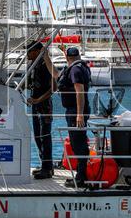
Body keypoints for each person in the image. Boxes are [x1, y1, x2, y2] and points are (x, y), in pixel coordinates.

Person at [57, 45, 91, 188]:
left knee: (78, 143)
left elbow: (80, 92)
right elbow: (57, 76)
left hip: (75, 111)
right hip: (76, 110)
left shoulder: (76, 69)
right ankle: (81, 175)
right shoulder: (81, 66)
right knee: (78, 142)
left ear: (67, 58)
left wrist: (79, 115)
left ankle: (81, 178)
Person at [26, 41, 57, 179]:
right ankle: (45, 165)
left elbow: (54, 88)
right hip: (35, 105)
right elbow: (28, 83)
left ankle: (47, 168)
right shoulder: (31, 65)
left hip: (44, 106)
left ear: (38, 51)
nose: (27, 54)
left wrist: (39, 100)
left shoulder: (46, 66)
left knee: (45, 136)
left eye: (30, 51)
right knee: (37, 136)